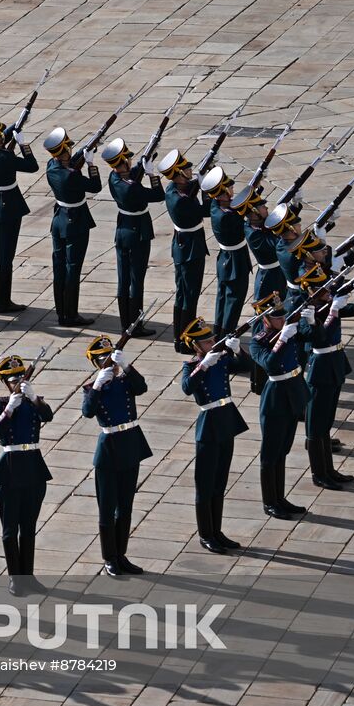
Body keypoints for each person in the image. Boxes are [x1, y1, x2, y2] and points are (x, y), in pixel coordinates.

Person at [79, 336, 149, 576]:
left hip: (130, 443)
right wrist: (98, 385)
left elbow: (142, 387)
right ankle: (109, 558)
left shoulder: (125, 380)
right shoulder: (93, 388)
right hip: (109, 449)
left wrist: (128, 367)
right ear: (97, 364)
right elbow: (87, 412)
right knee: (107, 508)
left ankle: (121, 554)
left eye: (111, 358)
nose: (110, 364)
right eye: (104, 360)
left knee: (126, 506)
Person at [179, 317, 248, 554]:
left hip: (226, 420)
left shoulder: (221, 359)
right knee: (205, 484)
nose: (212, 343)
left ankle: (217, 531)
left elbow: (247, 367)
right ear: (197, 347)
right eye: (208, 341)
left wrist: (238, 350)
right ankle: (205, 534)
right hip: (209, 423)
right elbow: (188, 387)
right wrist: (204, 365)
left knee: (220, 482)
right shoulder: (192, 366)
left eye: (212, 339)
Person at [296, 264, 354, 490]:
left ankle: (329, 469)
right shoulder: (305, 313)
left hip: (335, 364)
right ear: (311, 291)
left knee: (326, 422)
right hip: (320, 368)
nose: (329, 292)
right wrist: (333, 311)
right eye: (323, 289)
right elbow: (316, 338)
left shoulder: (328, 305)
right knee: (316, 426)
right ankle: (319, 473)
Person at [0, 354, 53, 596]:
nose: (17, 384)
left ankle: (28, 575)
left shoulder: (33, 402)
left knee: (28, 527)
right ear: (6, 383)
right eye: (12, 381)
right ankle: (15, 577)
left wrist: (35, 398)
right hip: (11, 468)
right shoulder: (1, 404)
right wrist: (9, 409)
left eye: (20, 380)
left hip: (34, 465)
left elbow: (48, 416)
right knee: (9, 529)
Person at [246, 292, 311, 519]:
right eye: (276, 318)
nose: (282, 320)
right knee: (270, 453)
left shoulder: (288, 328)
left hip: (293, 391)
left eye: (283, 316)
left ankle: (280, 497)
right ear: (265, 320)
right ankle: (269, 502)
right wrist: (282, 339)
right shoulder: (259, 342)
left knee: (283, 449)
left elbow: (314, 336)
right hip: (276, 396)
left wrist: (311, 319)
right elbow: (270, 364)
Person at [0, 115, 39, 313]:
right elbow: (32, 165)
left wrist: (19, 122)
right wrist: (23, 143)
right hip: (9, 206)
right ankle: (4, 301)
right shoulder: (7, 158)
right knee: (6, 256)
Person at [101, 138, 165, 336]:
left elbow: (131, 175)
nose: (130, 161)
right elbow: (158, 195)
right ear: (123, 162)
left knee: (123, 279)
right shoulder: (132, 187)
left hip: (122, 231)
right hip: (138, 233)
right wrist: (152, 173)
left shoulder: (114, 178)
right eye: (128, 159)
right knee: (136, 280)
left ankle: (124, 323)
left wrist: (143, 162)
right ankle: (136, 325)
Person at [42, 128, 101, 325]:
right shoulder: (71, 176)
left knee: (59, 268)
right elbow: (95, 186)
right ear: (64, 150)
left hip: (59, 222)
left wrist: (86, 149)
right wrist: (91, 162)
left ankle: (62, 312)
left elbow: (71, 162)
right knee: (72, 269)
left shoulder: (51, 165)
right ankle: (71, 315)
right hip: (75, 223)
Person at [159, 148, 209, 352]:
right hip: (191, 249)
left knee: (182, 294)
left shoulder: (172, 189)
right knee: (190, 295)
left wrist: (199, 181)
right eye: (187, 169)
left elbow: (189, 188)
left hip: (182, 246)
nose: (190, 171)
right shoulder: (181, 200)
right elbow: (206, 210)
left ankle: (179, 338)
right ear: (179, 174)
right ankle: (187, 340)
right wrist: (207, 186)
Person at [201, 167, 251, 337]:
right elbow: (249, 221)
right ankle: (225, 338)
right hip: (235, 261)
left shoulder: (216, 206)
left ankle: (219, 334)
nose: (233, 190)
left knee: (223, 300)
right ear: (222, 192)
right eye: (229, 188)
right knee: (234, 301)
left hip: (225, 259)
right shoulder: (228, 216)